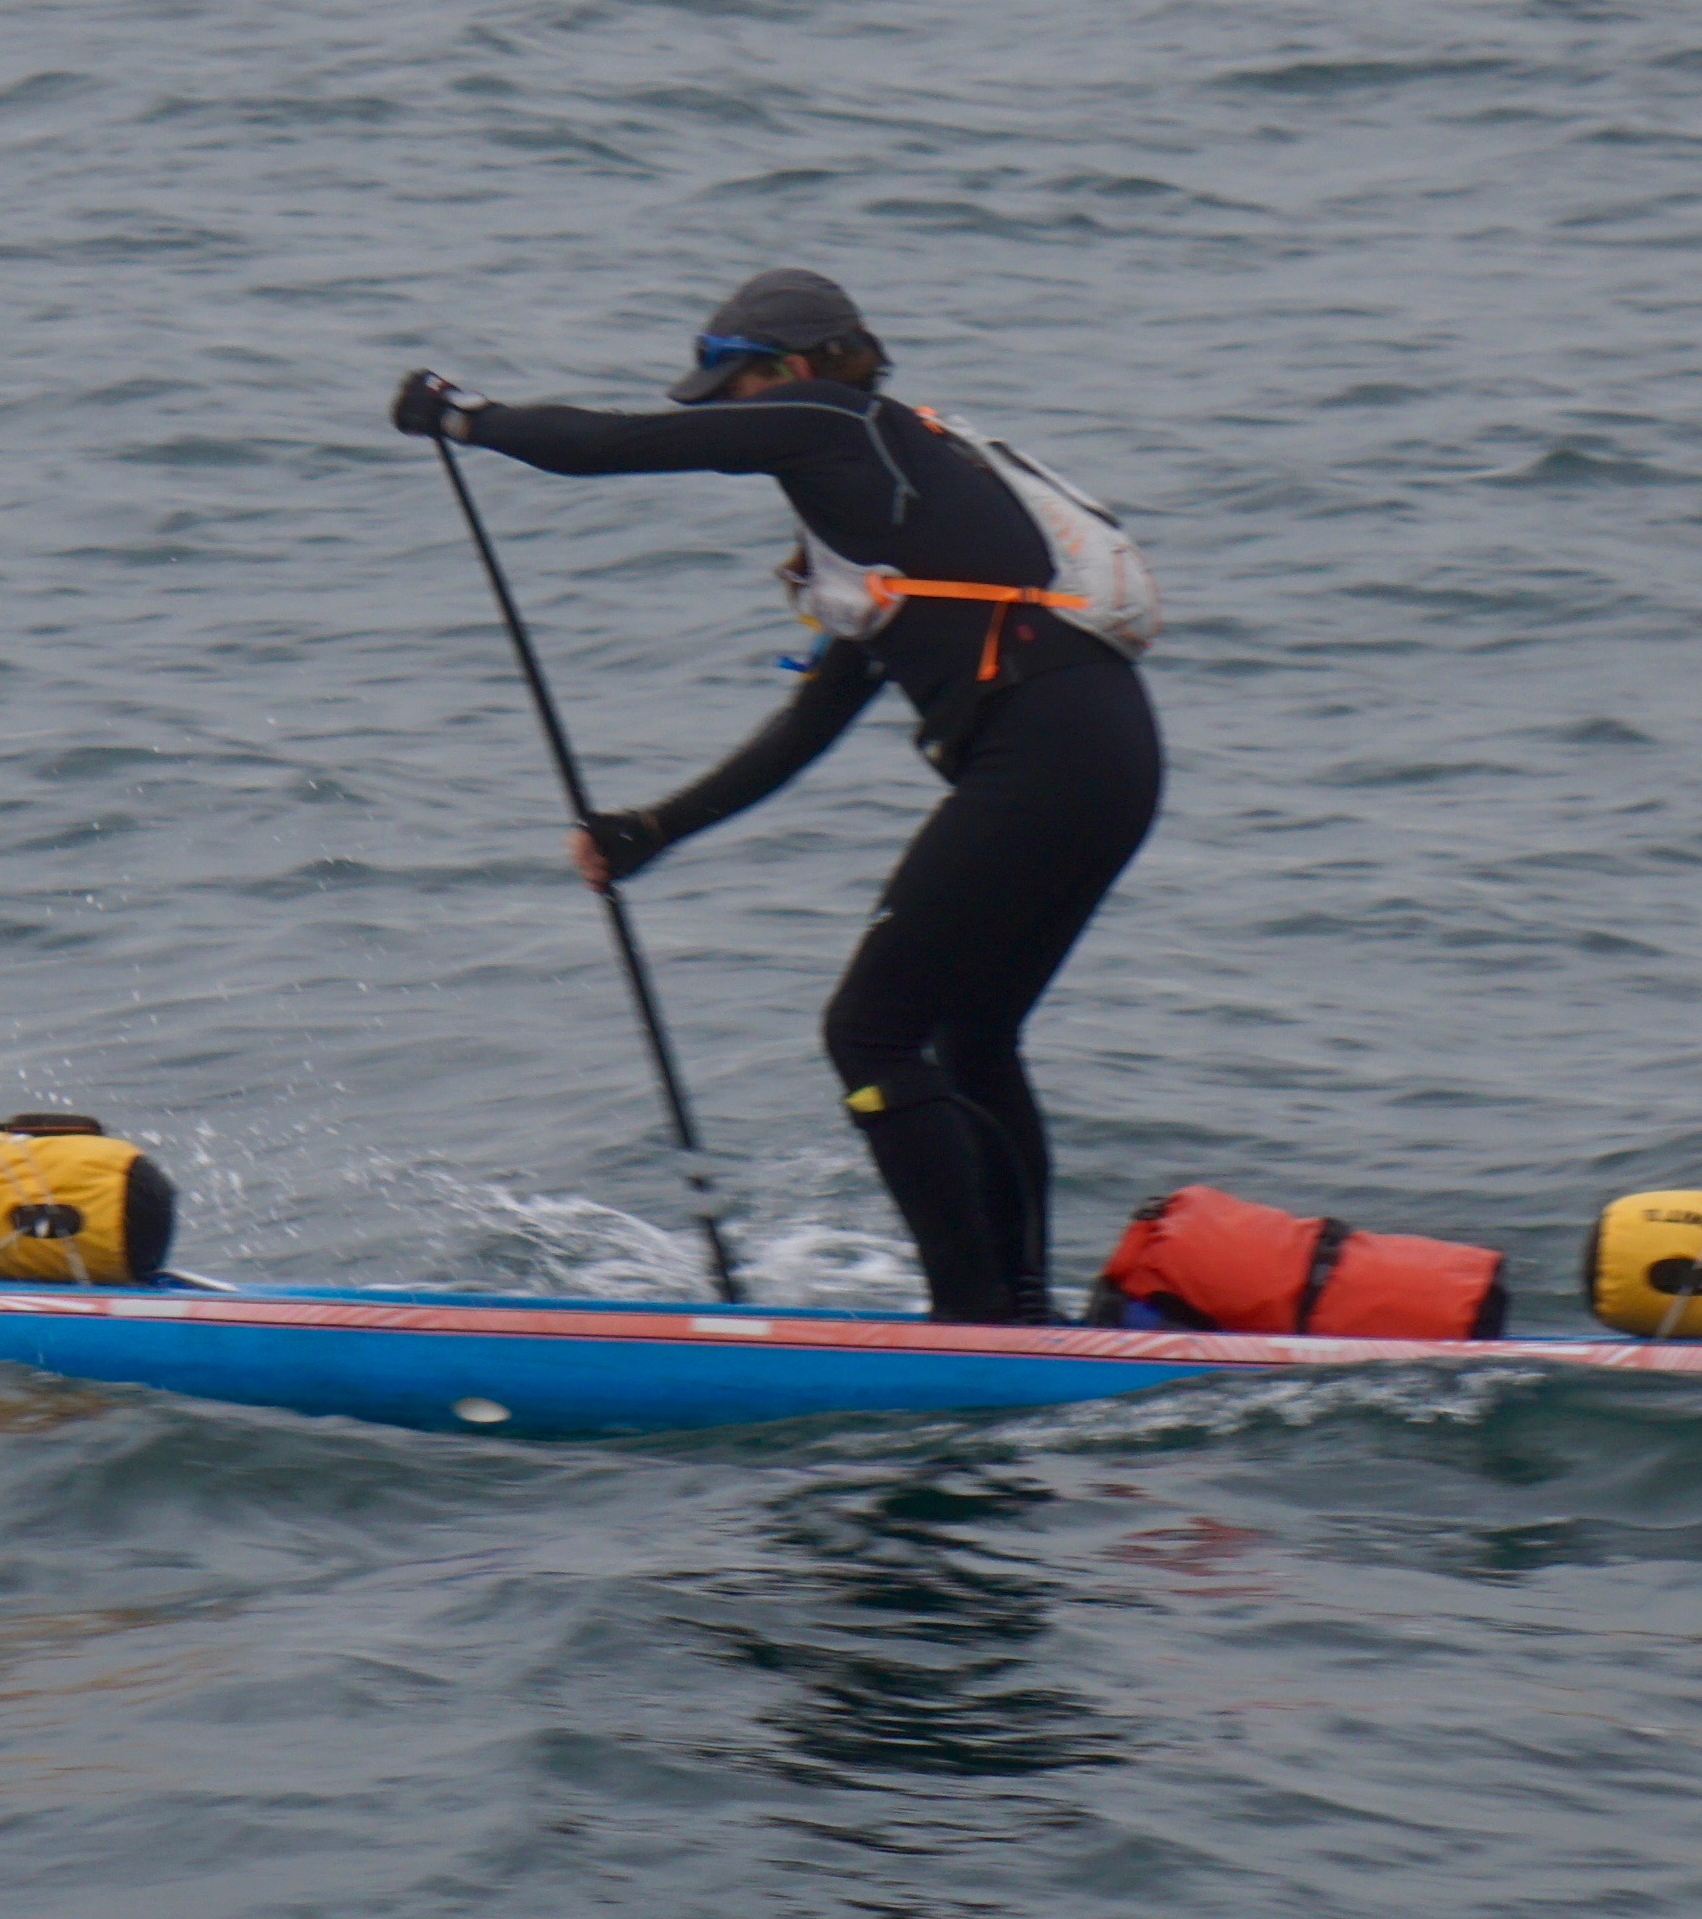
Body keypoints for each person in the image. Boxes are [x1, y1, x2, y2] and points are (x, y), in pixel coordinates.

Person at [393, 268, 1161, 1323]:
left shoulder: (835, 418)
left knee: (871, 1032)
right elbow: (815, 717)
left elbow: (613, 446)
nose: (730, 426)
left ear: (791, 370)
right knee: (973, 1037)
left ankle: (974, 1318)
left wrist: (463, 417)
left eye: (735, 394)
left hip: (1047, 751)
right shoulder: (897, 513)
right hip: (1106, 753)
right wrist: (656, 826)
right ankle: (1019, 1317)